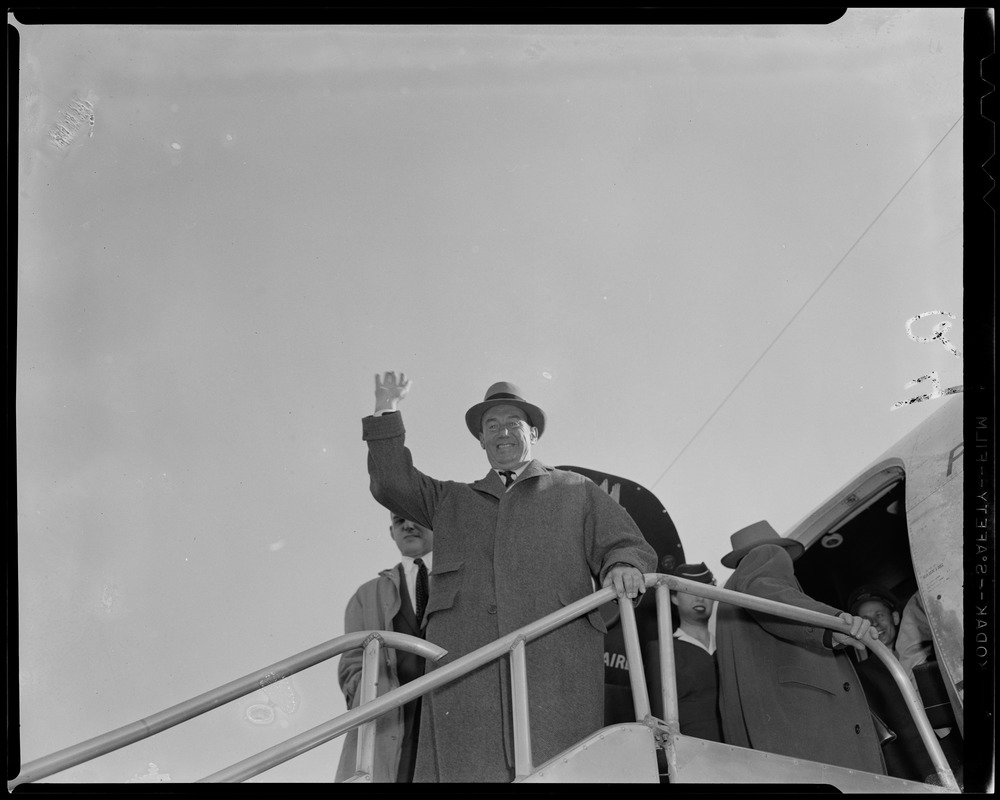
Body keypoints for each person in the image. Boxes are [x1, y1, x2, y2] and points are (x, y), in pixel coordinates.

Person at [362, 372, 657, 782]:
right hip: (468, 682)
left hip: (553, 672)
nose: (502, 433)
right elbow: (391, 482)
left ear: (533, 433)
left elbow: (627, 543)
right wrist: (386, 408)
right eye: (491, 426)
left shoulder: (577, 491)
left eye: (512, 424)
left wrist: (622, 565)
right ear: (481, 440)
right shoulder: (451, 500)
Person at [715, 520, 886, 774]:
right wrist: (834, 624)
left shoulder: (728, 596)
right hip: (810, 729)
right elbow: (769, 594)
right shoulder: (767, 554)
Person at [334, 513, 434, 782]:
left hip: (447, 706)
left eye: (416, 517)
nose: (409, 526)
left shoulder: (464, 579)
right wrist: (371, 697)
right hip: (390, 716)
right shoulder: (367, 595)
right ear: (392, 532)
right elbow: (352, 663)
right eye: (400, 521)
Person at [848, 584, 963, 785]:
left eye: (879, 615)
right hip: (920, 771)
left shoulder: (929, 647)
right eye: (865, 620)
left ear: (894, 617)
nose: (874, 623)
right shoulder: (860, 675)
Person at [668, 562, 722, 741]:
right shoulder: (663, 650)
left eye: (705, 590)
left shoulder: (727, 649)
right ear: (674, 598)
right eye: (690, 590)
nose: (700, 598)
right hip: (692, 756)